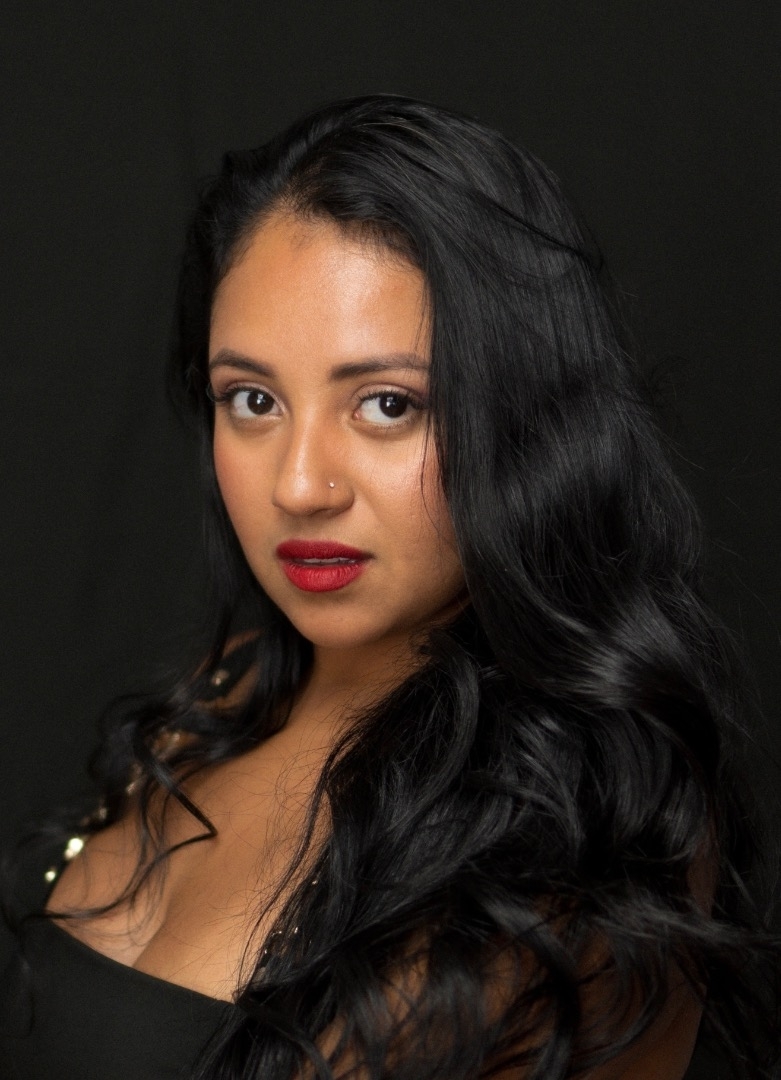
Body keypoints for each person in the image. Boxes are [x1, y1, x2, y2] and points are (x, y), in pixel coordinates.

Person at [1, 94, 778, 1080]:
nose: (298, 485)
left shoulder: (591, 823)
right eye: (253, 399)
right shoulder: (229, 686)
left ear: (526, 419)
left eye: (385, 405)